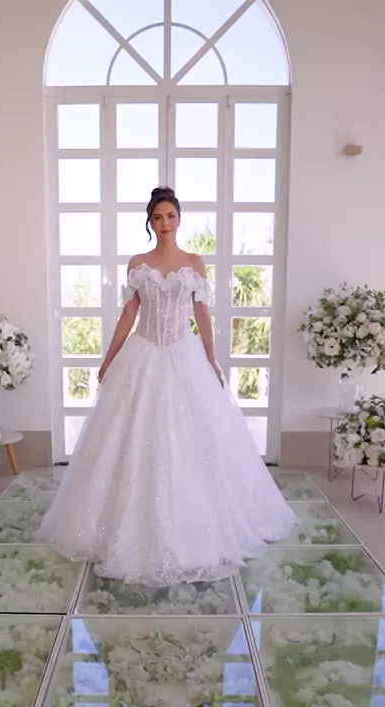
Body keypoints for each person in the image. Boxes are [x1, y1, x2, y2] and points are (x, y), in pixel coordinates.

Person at [40, 186, 296, 586]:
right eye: (157, 218)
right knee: (129, 437)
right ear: (149, 221)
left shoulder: (194, 262)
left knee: (195, 440)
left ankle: (197, 534)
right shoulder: (137, 263)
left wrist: (210, 358)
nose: (164, 224)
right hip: (142, 353)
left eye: (171, 217)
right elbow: (129, 314)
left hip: (183, 353)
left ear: (179, 219)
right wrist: (108, 359)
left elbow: (202, 313)